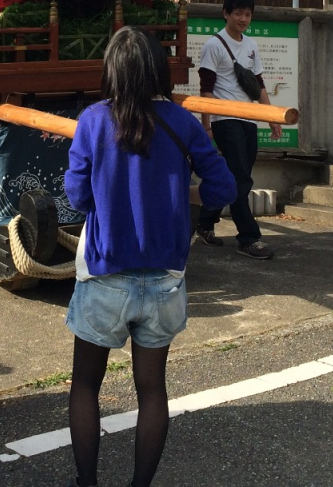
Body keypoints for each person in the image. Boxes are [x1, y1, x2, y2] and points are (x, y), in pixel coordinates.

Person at [64, 26, 237, 487]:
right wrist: (186, 195)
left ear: (112, 72)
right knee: (152, 389)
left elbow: (78, 196)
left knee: (85, 385)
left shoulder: (93, 120)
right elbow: (224, 186)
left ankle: (87, 484)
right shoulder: (182, 122)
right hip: (165, 278)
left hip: (104, 274)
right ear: (159, 70)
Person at [194, 0, 281, 260]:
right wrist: (207, 125)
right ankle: (248, 237)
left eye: (247, 14)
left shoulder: (252, 46)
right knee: (241, 178)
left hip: (248, 118)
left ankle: (205, 222)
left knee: (235, 178)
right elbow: (205, 89)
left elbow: (259, 85)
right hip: (224, 119)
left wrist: (271, 117)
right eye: (238, 13)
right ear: (226, 14)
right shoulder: (214, 46)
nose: (243, 18)